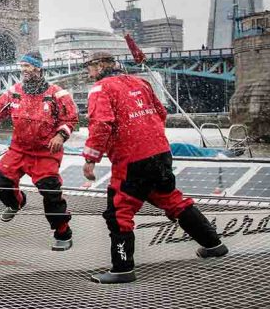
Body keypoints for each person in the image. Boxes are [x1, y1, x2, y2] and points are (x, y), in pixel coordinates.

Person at [81, 51, 228, 284]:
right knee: (172, 200)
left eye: (88, 66)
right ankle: (213, 244)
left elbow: (101, 125)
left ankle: (122, 269)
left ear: (99, 66)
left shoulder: (101, 88)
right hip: (160, 153)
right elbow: (161, 113)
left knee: (119, 212)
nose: (87, 71)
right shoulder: (141, 82)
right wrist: (147, 135)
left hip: (132, 159)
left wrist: (91, 159)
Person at [0, 51, 78, 251]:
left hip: (45, 153)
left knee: (50, 192)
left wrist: (60, 136)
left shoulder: (57, 94)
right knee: (2, 186)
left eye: (27, 66)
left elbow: (70, 119)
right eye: (22, 66)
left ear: (38, 67)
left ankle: (63, 233)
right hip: (19, 150)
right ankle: (17, 203)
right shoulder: (14, 92)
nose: (23, 70)